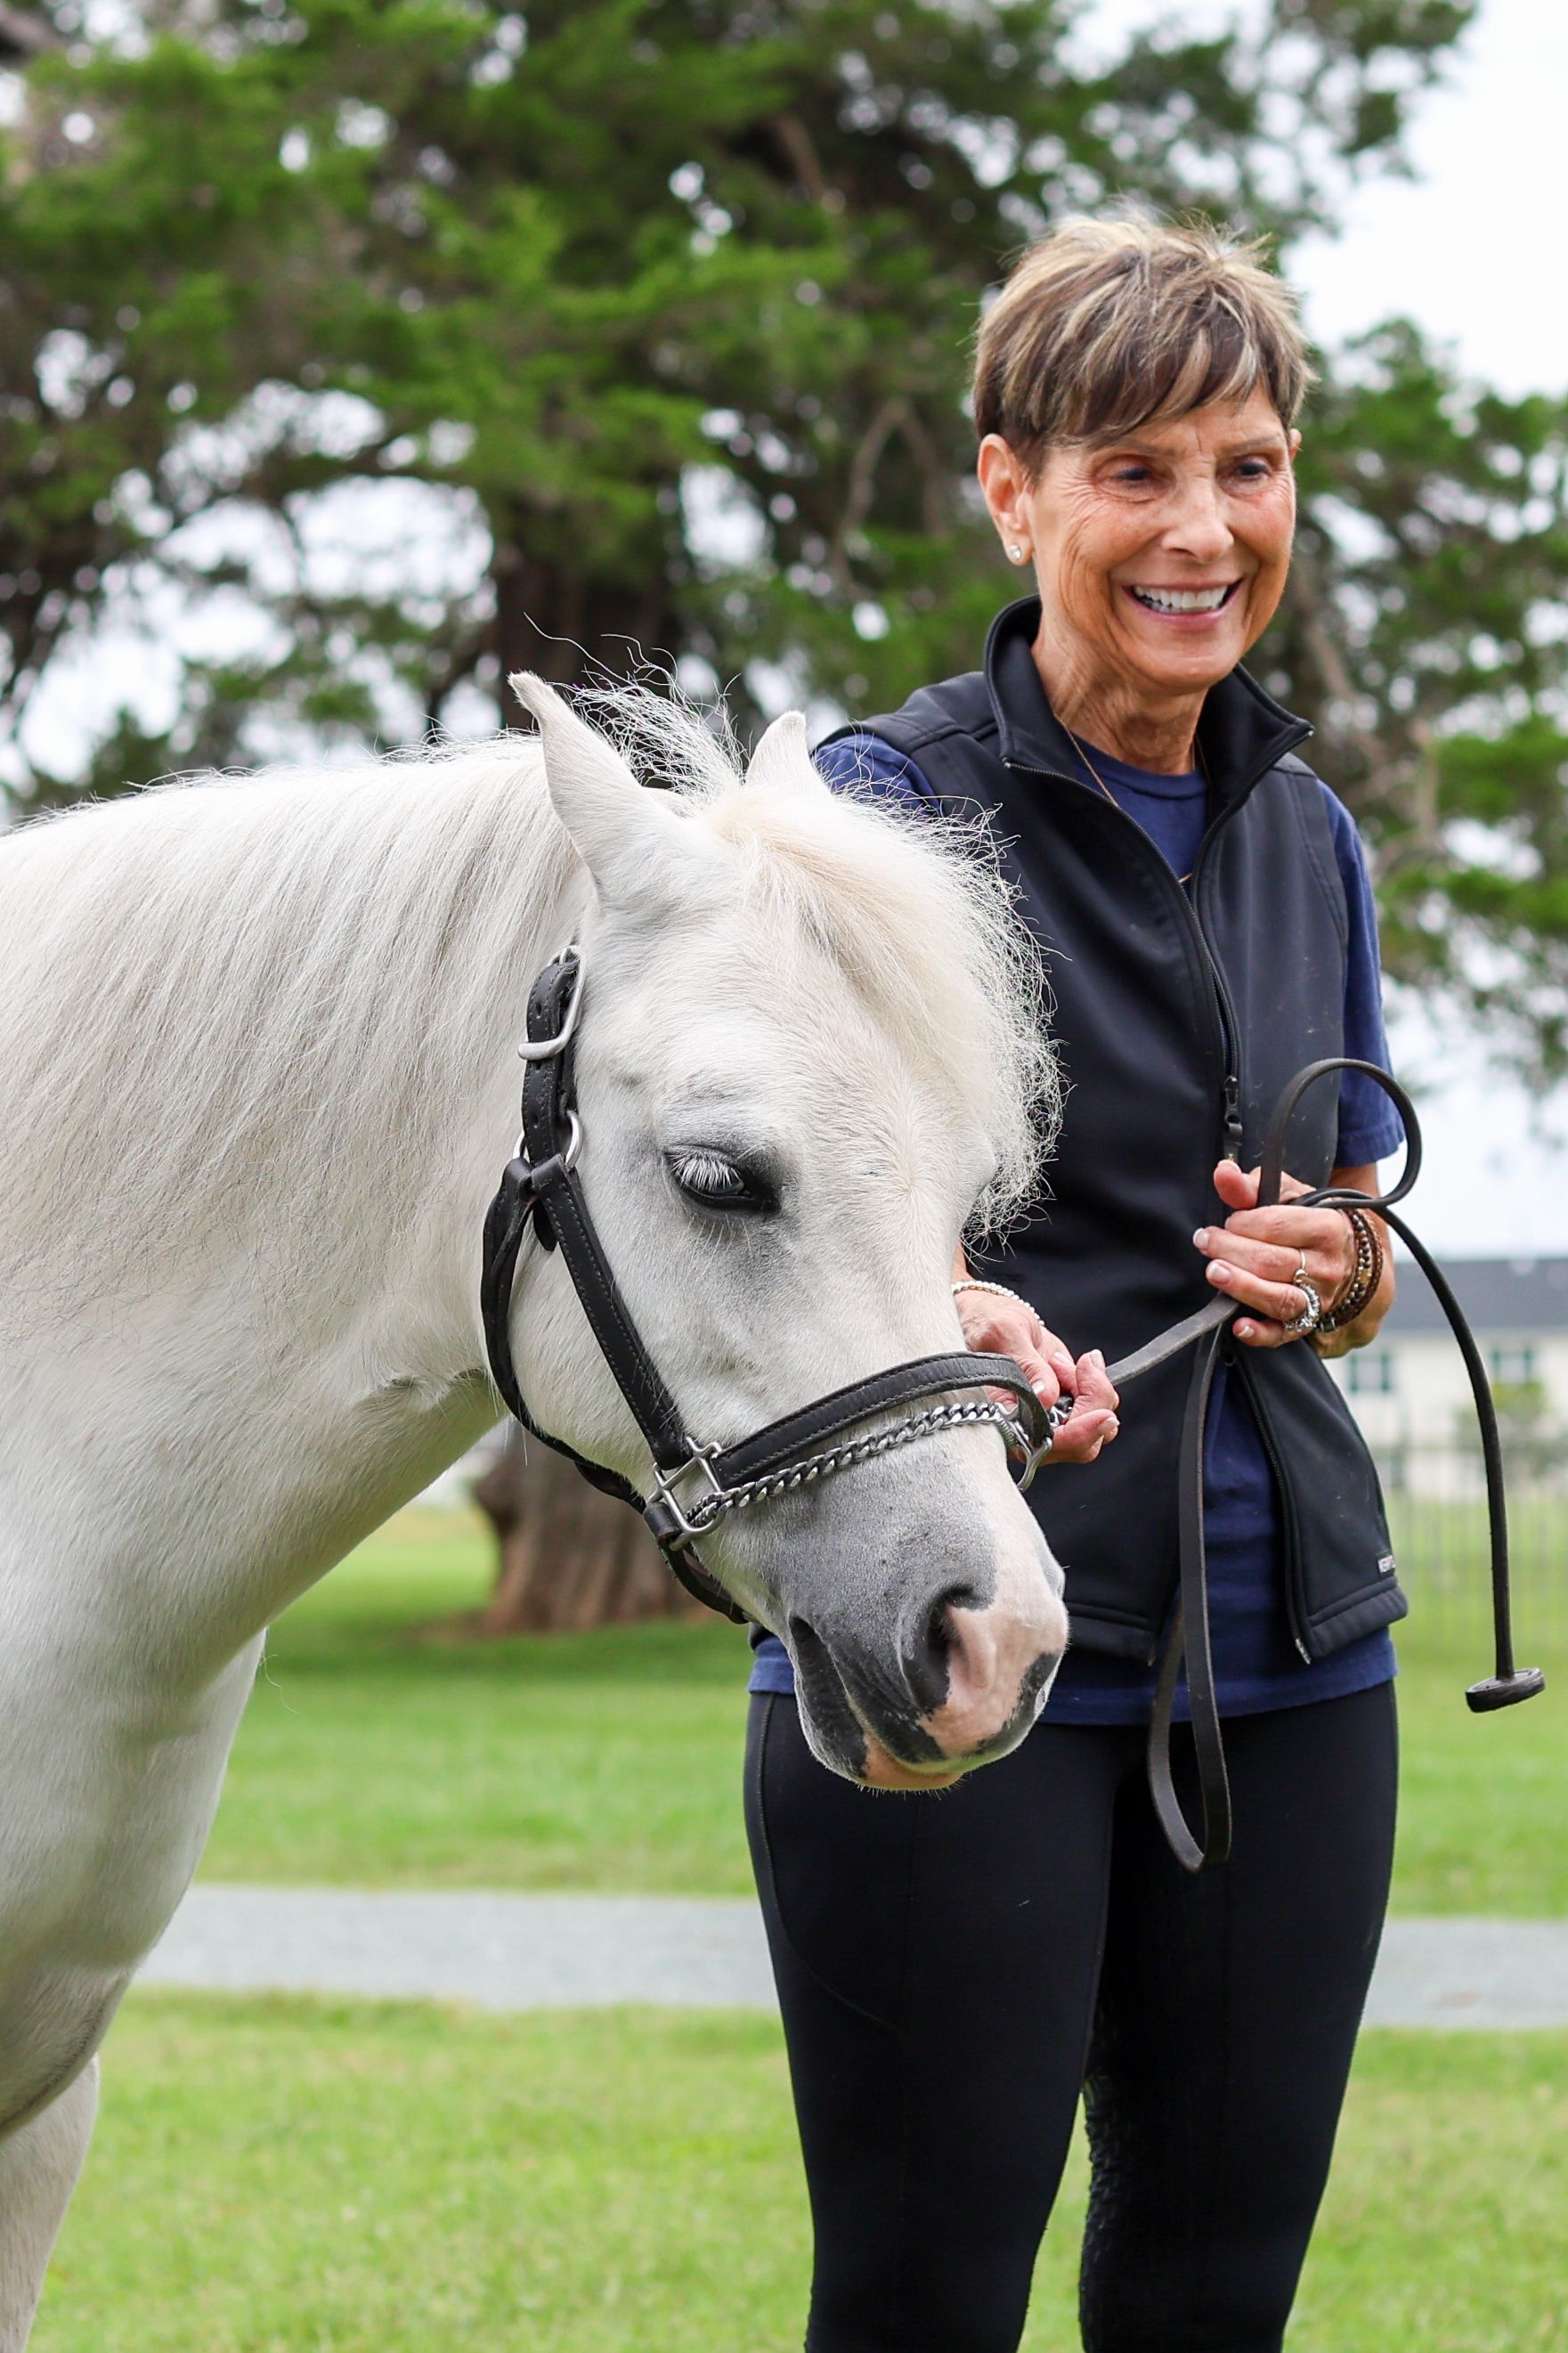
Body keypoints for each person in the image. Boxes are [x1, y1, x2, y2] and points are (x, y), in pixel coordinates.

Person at [743, 215, 1405, 2353]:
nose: (1201, 528)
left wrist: (1339, 1265)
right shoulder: (868, 812)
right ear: (1008, 487)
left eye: (1246, 460)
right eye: (1132, 470)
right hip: (954, 1662)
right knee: (929, 2298)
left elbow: (1358, 1227)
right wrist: (944, 1291)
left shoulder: (1310, 830)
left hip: (1291, 1665)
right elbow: (780, 1184)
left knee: (1215, 2296)